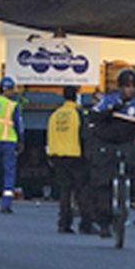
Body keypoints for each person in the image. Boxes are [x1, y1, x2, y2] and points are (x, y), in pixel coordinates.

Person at [88, 69, 135, 239]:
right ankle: (104, 223)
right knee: (102, 182)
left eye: (132, 86)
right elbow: (93, 116)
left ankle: (130, 198)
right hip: (106, 143)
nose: (129, 90)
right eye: (126, 86)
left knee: (133, 169)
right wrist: (110, 111)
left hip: (127, 143)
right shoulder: (109, 99)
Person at [46, 85, 87, 233]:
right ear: (76, 96)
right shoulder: (77, 113)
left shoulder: (55, 114)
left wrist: (50, 155)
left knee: (65, 191)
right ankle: (85, 224)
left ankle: (64, 223)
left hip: (58, 156)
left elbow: (50, 135)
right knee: (81, 191)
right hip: (75, 156)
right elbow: (84, 135)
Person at [0, 77, 24, 214]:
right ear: (6, 89)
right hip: (8, 141)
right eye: (12, 89)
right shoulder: (12, 105)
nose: (13, 92)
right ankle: (6, 203)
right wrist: (21, 141)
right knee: (9, 172)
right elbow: (19, 125)